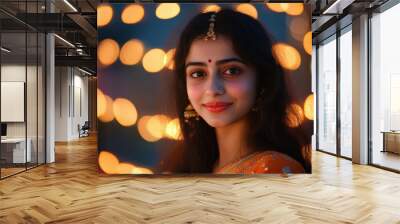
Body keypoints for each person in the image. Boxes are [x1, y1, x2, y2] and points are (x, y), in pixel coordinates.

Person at [162, 9, 311, 174]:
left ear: (262, 79)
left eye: (231, 71)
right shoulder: (191, 165)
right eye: (198, 73)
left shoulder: (274, 170)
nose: (212, 89)